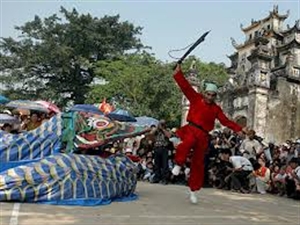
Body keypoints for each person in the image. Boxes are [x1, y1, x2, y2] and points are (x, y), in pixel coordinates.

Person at [171, 64, 247, 204]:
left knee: (198, 164)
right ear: (203, 92)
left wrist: (238, 129)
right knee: (186, 144)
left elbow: (225, 121)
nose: (210, 97)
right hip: (191, 129)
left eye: (213, 95)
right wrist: (178, 74)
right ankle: (178, 163)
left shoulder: (216, 108)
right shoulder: (195, 98)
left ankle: (193, 190)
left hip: (204, 135)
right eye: (208, 94)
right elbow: (185, 87)